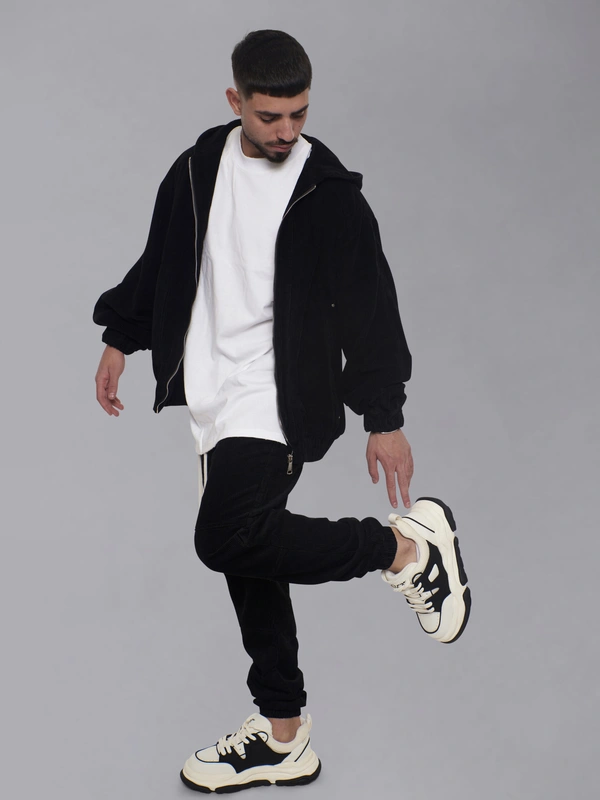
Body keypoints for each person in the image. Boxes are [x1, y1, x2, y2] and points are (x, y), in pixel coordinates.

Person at [93, 29, 471, 794]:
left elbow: (370, 307)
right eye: (270, 116)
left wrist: (384, 416)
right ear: (235, 101)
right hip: (214, 393)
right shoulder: (198, 167)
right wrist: (121, 337)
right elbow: (163, 256)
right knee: (249, 555)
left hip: (277, 397)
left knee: (225, 538)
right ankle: (283, 734)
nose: (288, 131)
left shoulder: (329, 196)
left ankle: (403, 549)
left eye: (300, 113)